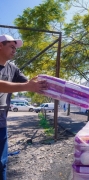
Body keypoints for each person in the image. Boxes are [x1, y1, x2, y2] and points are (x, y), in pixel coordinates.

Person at [0, 34, 47, 180]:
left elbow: (28, 83)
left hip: (1, 122)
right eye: (11, 47)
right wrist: (27, 85)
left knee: (2, 163)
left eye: (16, 48)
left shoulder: (12, 68)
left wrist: (44, 84)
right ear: (0, 45)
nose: (15, 50)